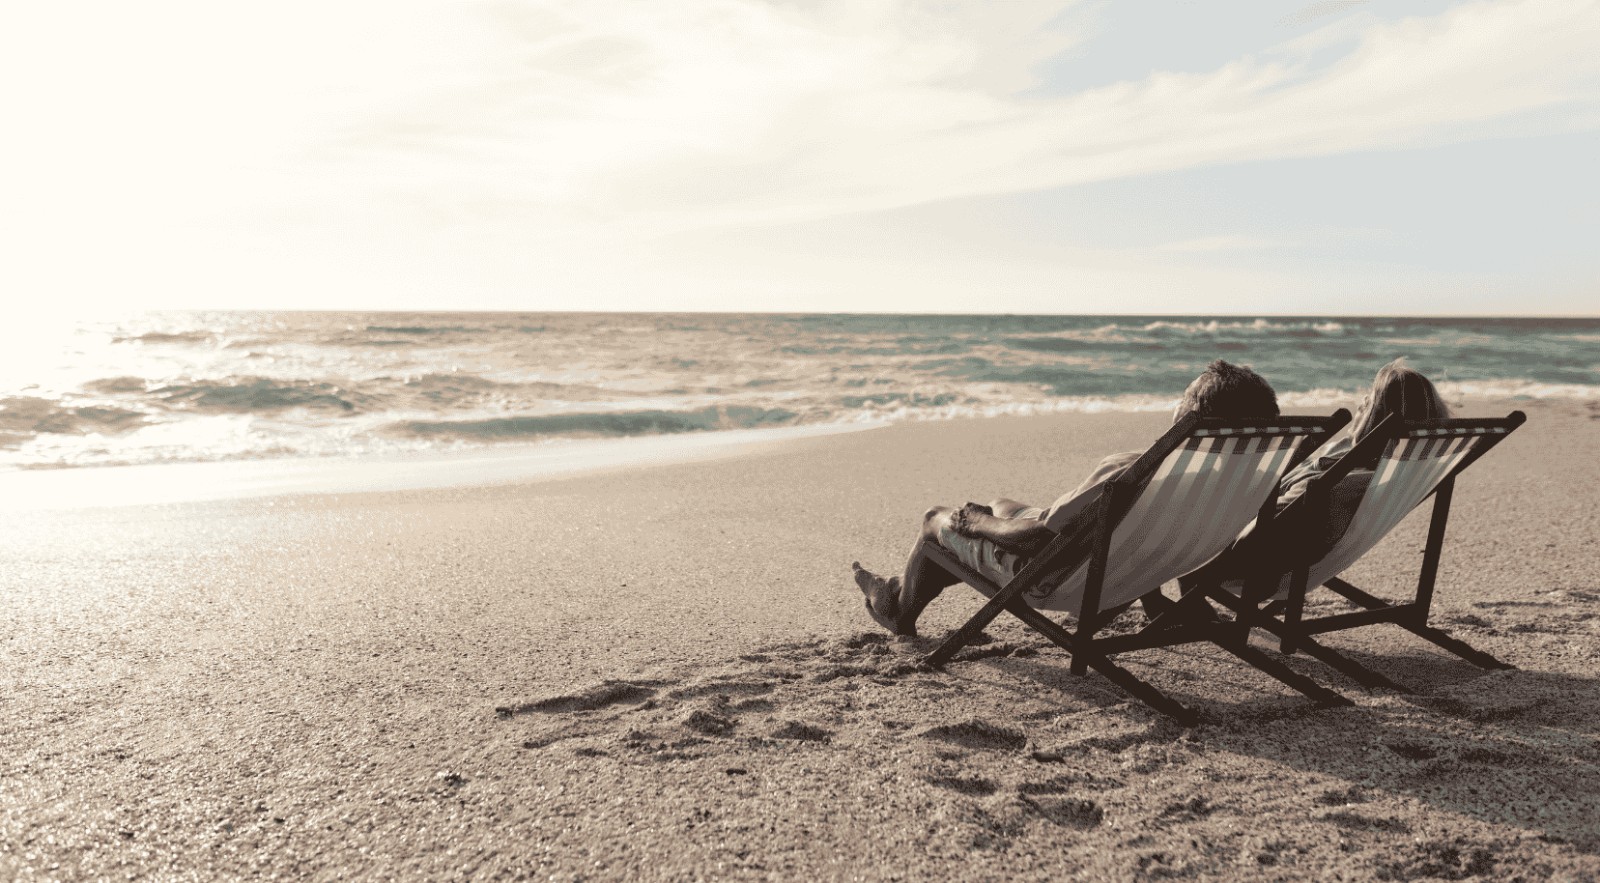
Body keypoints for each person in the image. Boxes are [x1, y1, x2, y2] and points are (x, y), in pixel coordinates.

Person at [851, 359, 1280, 637]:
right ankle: (907, 580)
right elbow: (1149, 533)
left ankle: (897, 609)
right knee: (1003, 504)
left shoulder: (1135, 468)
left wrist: (977, 525)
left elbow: (1040, 539)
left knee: (937, 521)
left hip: (1056, 581)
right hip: (1132, 573)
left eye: (1184, 396)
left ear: (1192, 416)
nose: (1176, 401)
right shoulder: (1246, 481)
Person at [1184, 358, 1453, 589]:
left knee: (1166, 515)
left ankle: (1178, 601)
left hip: (1256, 567)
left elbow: (1253, 538)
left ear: (1374, 417)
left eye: (1368, 401)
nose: (1360, 404)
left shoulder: (1340, 482)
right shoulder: (1395, 473)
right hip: (1305, 562)